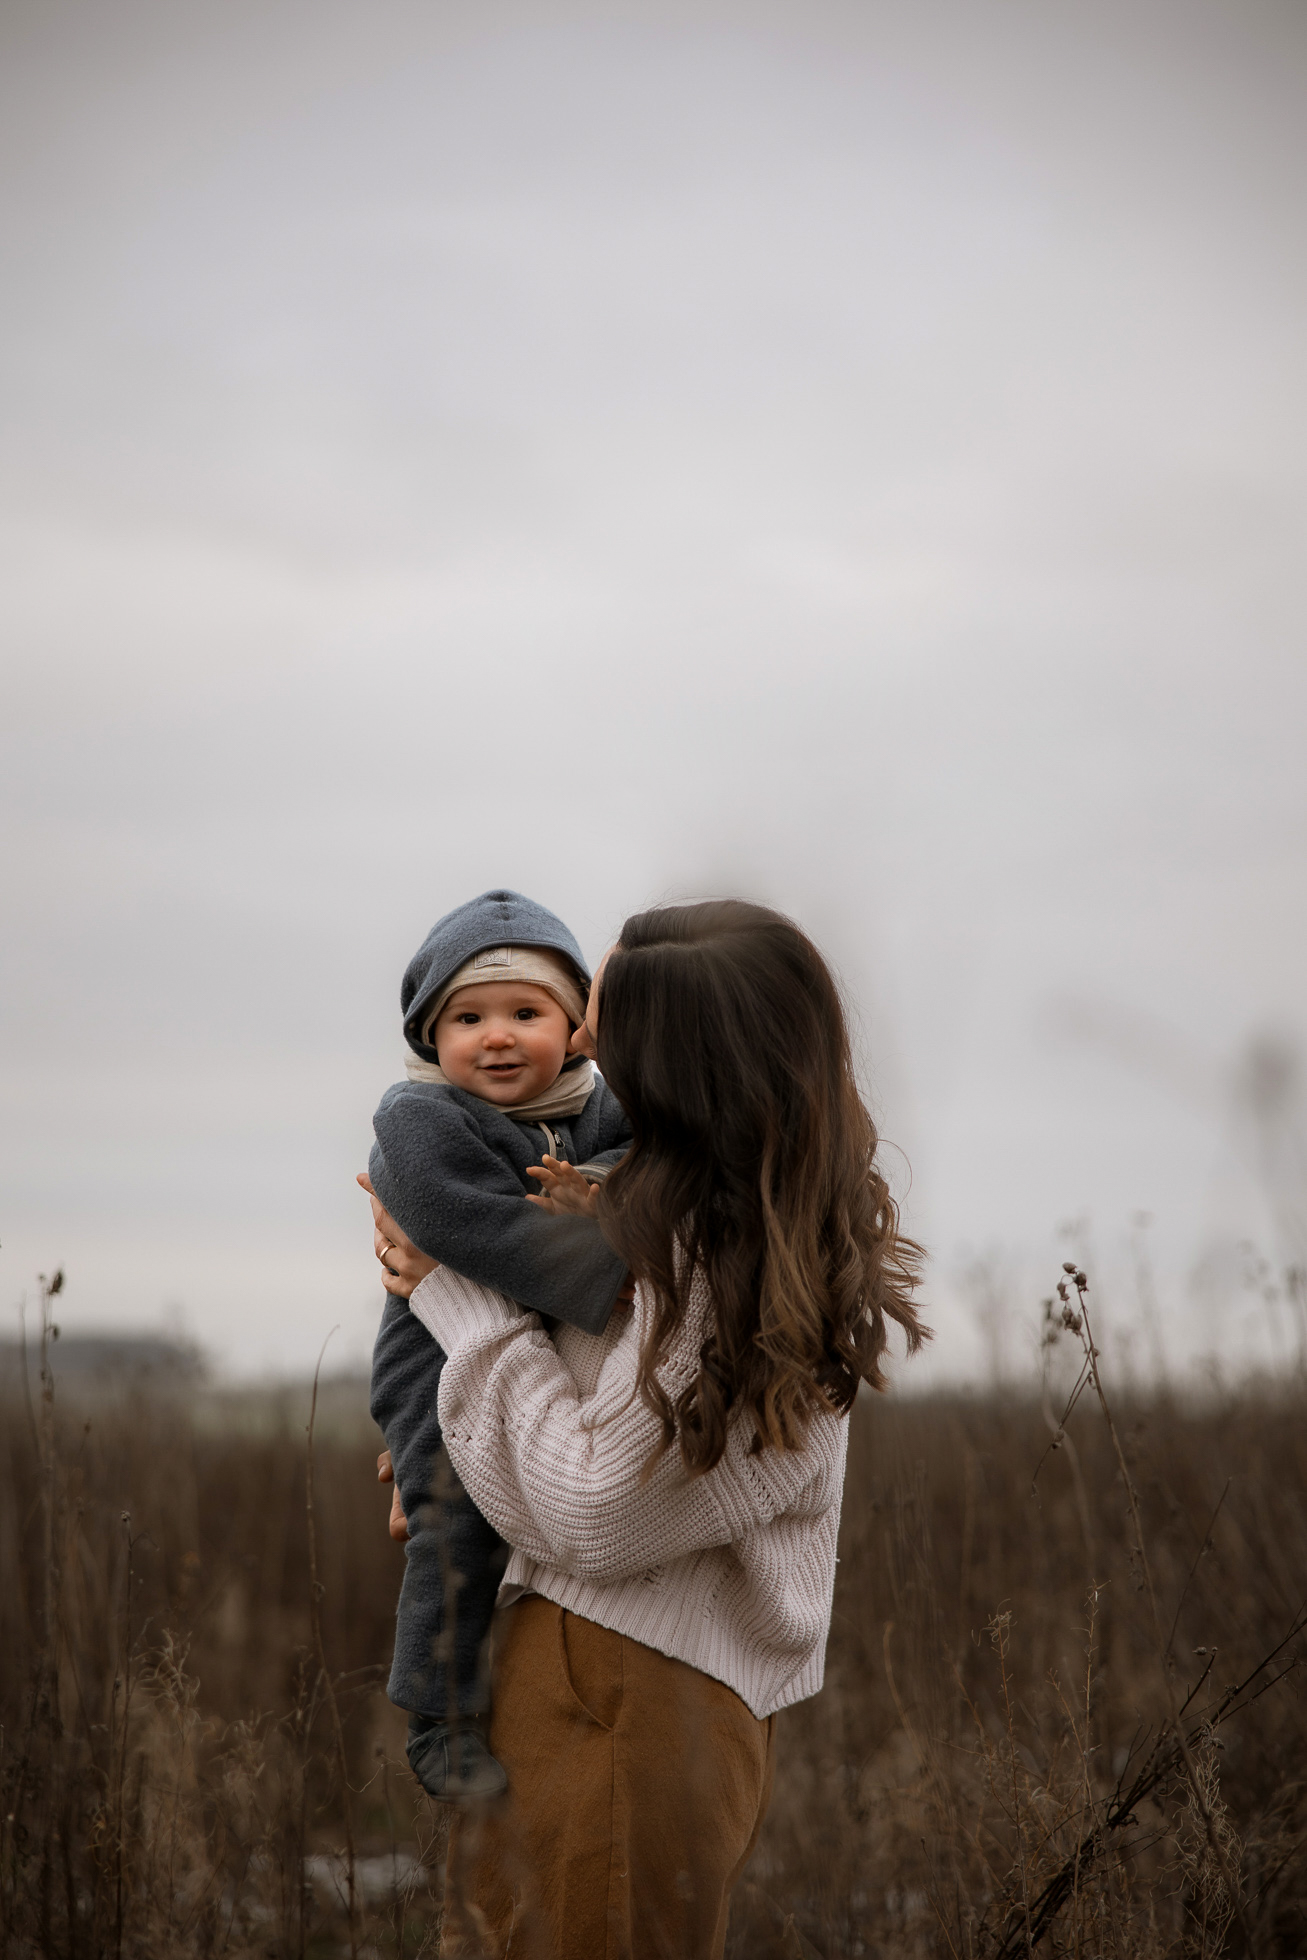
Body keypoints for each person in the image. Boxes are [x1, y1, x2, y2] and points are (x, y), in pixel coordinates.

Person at [365, 899, 926, 1959]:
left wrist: (456, 1294)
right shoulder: (692, 1215)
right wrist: (447, 1456)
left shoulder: (730, 1263)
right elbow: (593, 1422)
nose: (575, 1040)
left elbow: (595, 1507)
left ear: (676, 1060)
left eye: (596, 1017)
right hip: (593, 1671)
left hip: (627, 1687)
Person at [364, 888, 632, 1800]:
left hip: (539, 1350)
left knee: (540, 1496)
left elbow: (654, 1170)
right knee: (452, 1516)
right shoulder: (419, 1118)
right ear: (430, 1033)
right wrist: (607, 1257)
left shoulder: (602, 1113)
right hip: (431, 1350)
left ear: (575, 1024)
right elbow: (458, 1226)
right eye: (468, 1017)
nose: (498, 1036)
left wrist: (604, 1185)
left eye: (527, 1012)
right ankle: (437, 1713)